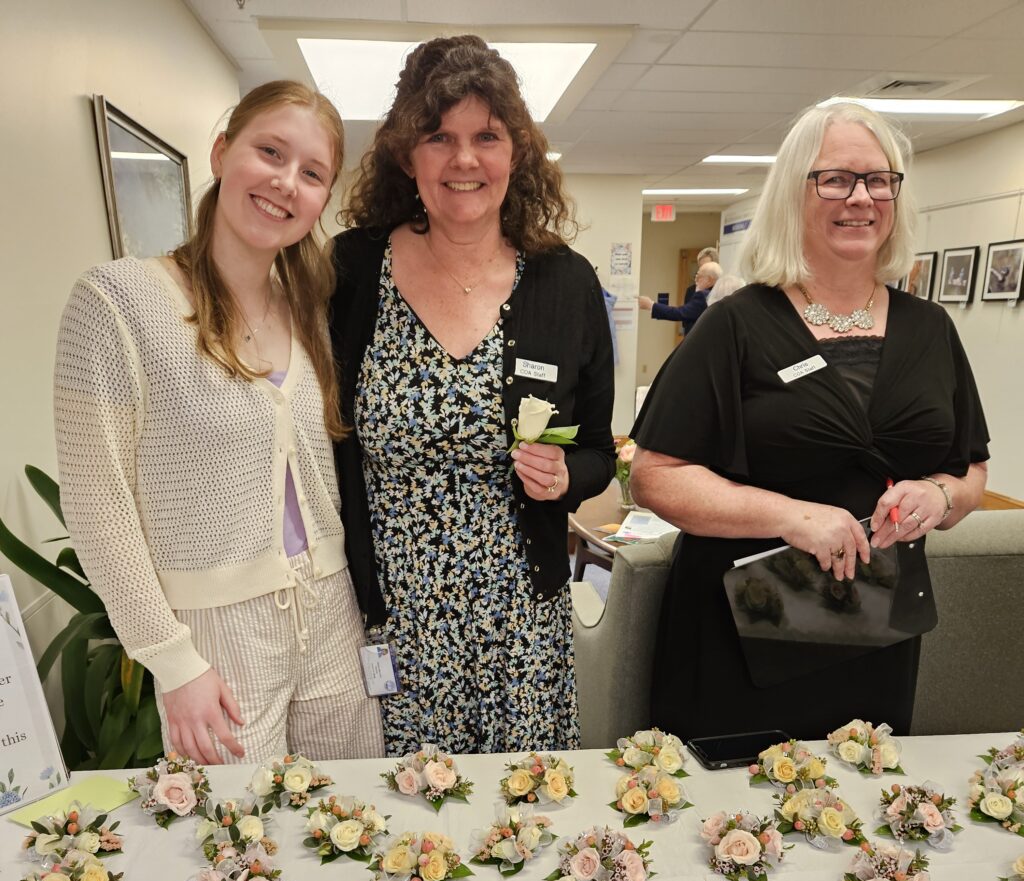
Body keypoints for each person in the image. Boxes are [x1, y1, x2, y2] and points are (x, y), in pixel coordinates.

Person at [630, 101, 990, 740]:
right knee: (739, 828)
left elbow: (969, 470)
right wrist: (792, 516)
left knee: (865, 817)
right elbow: (654, 478)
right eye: (836, 178)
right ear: (795, 192)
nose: (861, 198)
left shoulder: (929, 328)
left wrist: (938, 494)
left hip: (875, 625)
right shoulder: (735, 325)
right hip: (743, 630)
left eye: (879, 180)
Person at [54, 81, 385, 765]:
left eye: (312, 172)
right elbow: (97, 502)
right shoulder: (120, 302)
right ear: (221, 150)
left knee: (346, 828)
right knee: (239, 852)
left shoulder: (311, 311)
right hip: (217, 633)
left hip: (331, 618)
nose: (286, 182)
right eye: (270, 151)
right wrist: (171, 660)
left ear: (323, 198)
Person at [330, 34, 615, 756]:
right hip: (395, 619)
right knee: (405, 835)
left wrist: (563, 480)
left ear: (515, 152)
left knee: (519, 832)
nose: (464, 160)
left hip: (522, 620)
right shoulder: (354, 271)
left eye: (486, 136)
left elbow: (597, 455)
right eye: (439, 137)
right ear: (406, 154)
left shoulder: (566, 284)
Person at [639, 261, 722, 336]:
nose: (696, 280)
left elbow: (680, 313)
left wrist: (651, 305)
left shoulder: (704, 296)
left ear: (710, 280)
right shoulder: (720, 294)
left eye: (699, 276)